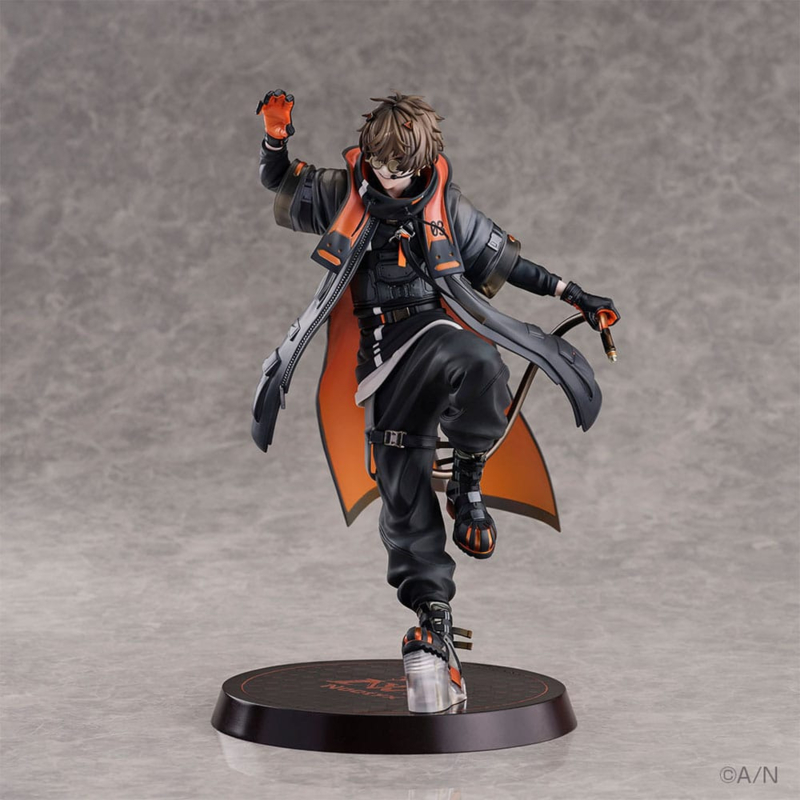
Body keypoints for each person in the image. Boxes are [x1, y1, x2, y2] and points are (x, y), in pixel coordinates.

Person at [252, 90, 619, 713]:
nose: (389, 178)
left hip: (435, 334)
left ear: (423, 163)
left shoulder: (445, 205)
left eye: (401, 168)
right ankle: (434, 621)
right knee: (401, 495)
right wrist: (275, 137)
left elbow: (510, 263)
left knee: (481, 363)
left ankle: (469, 480)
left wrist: (575, 295)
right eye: (380, 164)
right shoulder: (346, 192)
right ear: (368, 154)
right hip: (380, 363)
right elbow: (279, 182)